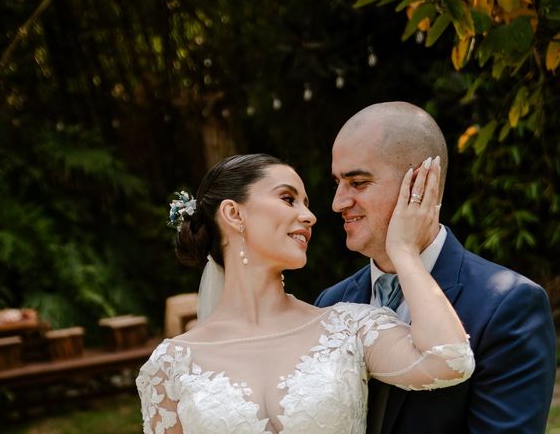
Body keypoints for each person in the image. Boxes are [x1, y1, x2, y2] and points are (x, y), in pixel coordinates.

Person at [136, 153, 474, 434]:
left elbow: (450, 359)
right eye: (288, 199)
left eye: (306, 203)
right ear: (233, 214)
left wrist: (404, 251)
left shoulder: (348, 327)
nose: (310, 216)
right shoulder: (169, 366)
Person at [316, 102, 556, 434]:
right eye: (338, 183)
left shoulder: (508, 305)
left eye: (357, 182)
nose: (338, 202)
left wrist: (404, 252)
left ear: (419, 183)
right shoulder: (330, 303)